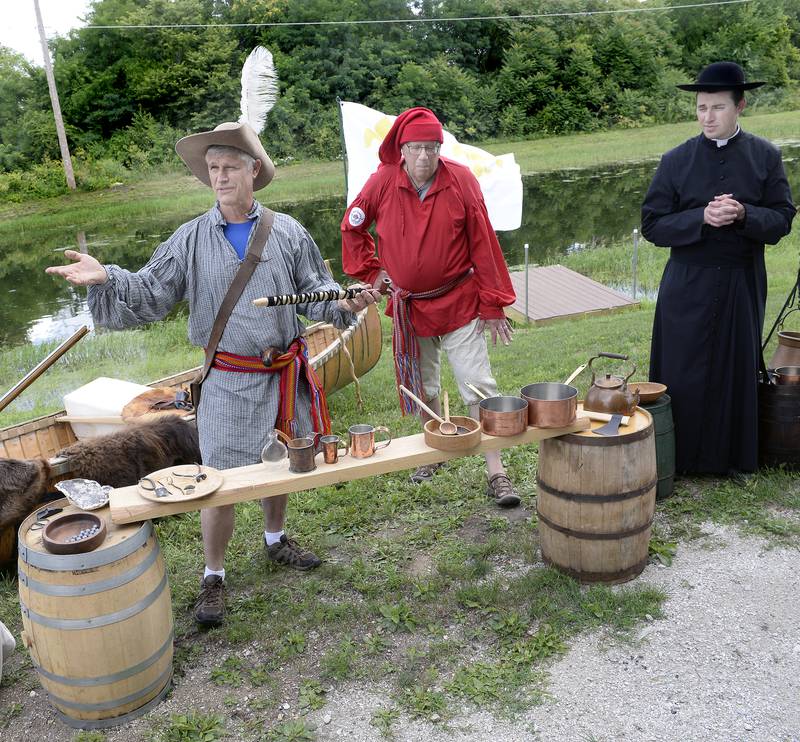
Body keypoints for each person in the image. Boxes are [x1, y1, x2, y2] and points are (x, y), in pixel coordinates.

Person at [46, 121, 379, 626]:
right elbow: (151, 291)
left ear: (253, 171)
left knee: (282, 464)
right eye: (213, 169)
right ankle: (213, 575)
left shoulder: (288, 231)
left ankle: (274, 538)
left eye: (229, 167)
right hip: (226, 379)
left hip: (283, 375)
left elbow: (319, 290)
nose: (219, 177)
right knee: (217, 481)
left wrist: (346, 300)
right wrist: (107, 276)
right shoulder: (190, 238)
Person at [341, 107, 520, 506]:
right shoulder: (383, 181)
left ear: (440, 148)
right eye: (417, 148)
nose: (425, 157)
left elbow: (484, 243)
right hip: (411, 309)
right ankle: (435, 450)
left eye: (432, 148)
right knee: (423, 386)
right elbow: (352, 225)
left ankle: (496, 471)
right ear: (401, 150)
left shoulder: (461, 180)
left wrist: (493, 304)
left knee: (477, 383)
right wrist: (372, 272)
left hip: (459, 302)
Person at [641, 61, 796, 475]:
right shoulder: (676, 160)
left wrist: (745, 214)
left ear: (740, 106)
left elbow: (782, 219)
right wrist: (700, 219)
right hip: (687, 281)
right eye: (701, 108)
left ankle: (732, 458)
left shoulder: (764, 155)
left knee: (734, 368)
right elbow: (652, 225)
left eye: (717, 108)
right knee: (683, 369)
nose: (707, 117)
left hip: (741, 280)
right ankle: (681, 458)